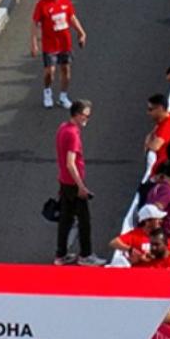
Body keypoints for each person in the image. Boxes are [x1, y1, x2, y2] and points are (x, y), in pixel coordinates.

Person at [55, 100, 102, 266]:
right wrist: (81, 186)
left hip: (64, 181)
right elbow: (71, 163)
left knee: (65, 220)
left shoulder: (63, 128)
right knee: (84, 220)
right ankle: (86, 254)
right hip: (73, 184)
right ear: (76, 114)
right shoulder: (73, 135)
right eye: (85, 115)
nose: (87, 119)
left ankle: (61, 254)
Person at [30, 0, 87, 110]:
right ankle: (47, 92)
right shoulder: (42, 4)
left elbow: (71, 17)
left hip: (65, 43)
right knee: (50, 72)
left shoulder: (65, 0)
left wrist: (81, 33)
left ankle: (63, 97)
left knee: (66, 70)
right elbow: (35, 23)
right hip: (50, 45)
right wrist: (34, 43)